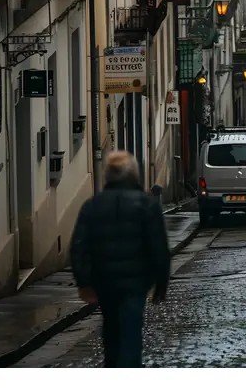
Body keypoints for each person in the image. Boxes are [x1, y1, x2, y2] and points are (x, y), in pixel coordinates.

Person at [70, 151, 171, 367]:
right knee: (131, 333)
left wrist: (84, 282)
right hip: (136, 283)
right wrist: (161, 283)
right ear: (134, 173)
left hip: (104, 282)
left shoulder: (92, 205)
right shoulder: (147, 205)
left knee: (111, 332)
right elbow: (159, 247)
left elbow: (79, 247)